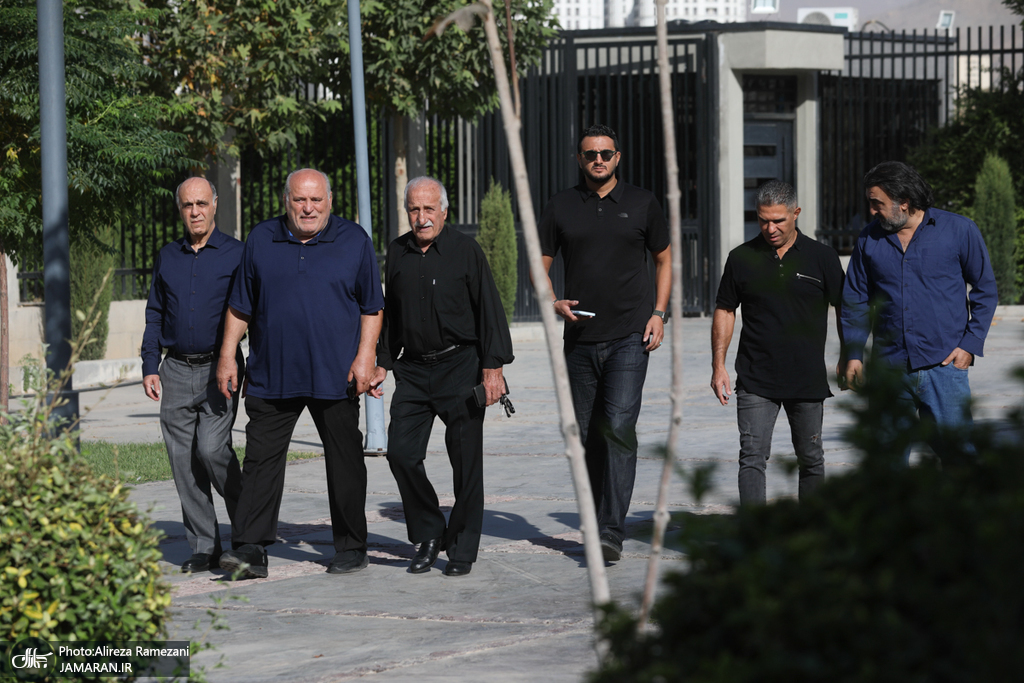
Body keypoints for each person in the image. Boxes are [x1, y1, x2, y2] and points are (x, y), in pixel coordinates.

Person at [215, 168, 384, 579]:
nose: (308, 208)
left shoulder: (354, 240)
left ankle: (351, 547)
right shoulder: (261, 238)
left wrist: (366, 356)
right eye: (299, 199)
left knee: (345, 463)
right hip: (272, 374)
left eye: (316, 200)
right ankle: (250, 550)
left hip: (336, 375)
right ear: (286, 201)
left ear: (330, 201)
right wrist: (227, 356)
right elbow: (241, 305)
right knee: (260, 463)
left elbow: (372, 306)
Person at [537, 124, 671, 562]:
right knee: (589, 437)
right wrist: (553, 301)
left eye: (606, 153)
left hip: (631, 335)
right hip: (579, 338)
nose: (598, 159)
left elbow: (664, 259)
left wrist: (659, 313)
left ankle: (610, 532)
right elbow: (540, 262)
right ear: (579, 159)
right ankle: (597, 522)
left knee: (617, 428)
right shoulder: (560, 205)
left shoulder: (642, 203)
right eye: (590, 153)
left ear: (618, 157)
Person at [371, 176, 514, 577]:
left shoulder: (466, 250)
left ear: (444, 211)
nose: (421, 217)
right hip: (414, 371)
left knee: (466, 463)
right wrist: (383, 362)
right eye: (414, 209)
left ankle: (462, 549)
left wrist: (493, 369)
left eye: (429, 209)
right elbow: (392, 315)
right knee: (401, 453)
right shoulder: (397, 251)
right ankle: (430, 532)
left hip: (460, 367)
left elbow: (489, 310)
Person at [841, 161, 997, 455]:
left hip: (945, 367)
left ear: (904, 201)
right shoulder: (868, 239)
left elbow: (985, 290)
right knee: (886, 461)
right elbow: (856, 300)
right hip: (889, 370)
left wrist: (969, 345)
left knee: (958, 457)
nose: (872, 211)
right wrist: (853, 354)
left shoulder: (959, 230)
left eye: (877, 203)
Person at [711, 180, 845, 504]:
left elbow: (845, 308)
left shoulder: (822, 257)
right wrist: (718, 366)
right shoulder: (741, 258)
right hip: (756, 377)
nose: (770, 229)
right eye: (763, 220)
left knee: (811, 458)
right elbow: (725, 310)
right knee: (752, 457)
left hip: (807, 377)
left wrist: (850, 355)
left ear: (796, 213)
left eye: (778, 221)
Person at [141, 176, 245, 573]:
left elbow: (253, 311)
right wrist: (150, 365)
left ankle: (249, 533)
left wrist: (247, 363)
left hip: (220, 368)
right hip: (176, 368)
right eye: (188, 205)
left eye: (202, 203)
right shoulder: (168, 256)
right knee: (183, 461)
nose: (196, 211)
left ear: (215, 204)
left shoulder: (237, 254)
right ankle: (205, 545)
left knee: (212, 450)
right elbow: (154, 312)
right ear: (180, 209)